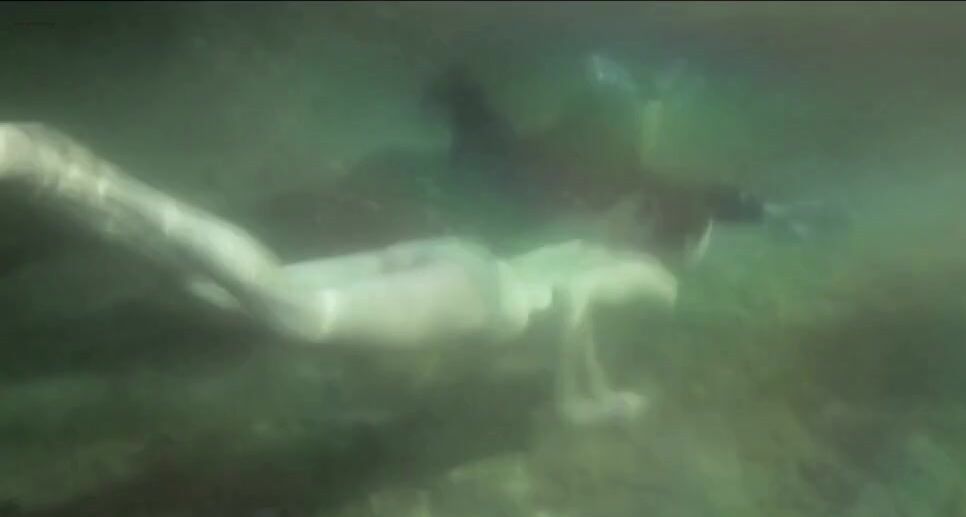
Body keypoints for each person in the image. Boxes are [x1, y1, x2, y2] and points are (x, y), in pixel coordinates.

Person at [0, 122, 676, 427]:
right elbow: (579, 299)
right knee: (291, 311)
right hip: (486, 297)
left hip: (461, 261)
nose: (615, 207)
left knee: (219, 293)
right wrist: (585, 397)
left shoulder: (588, 240)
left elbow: (575, 278)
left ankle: (59, 183)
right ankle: (52, 164)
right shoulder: (651, 276)